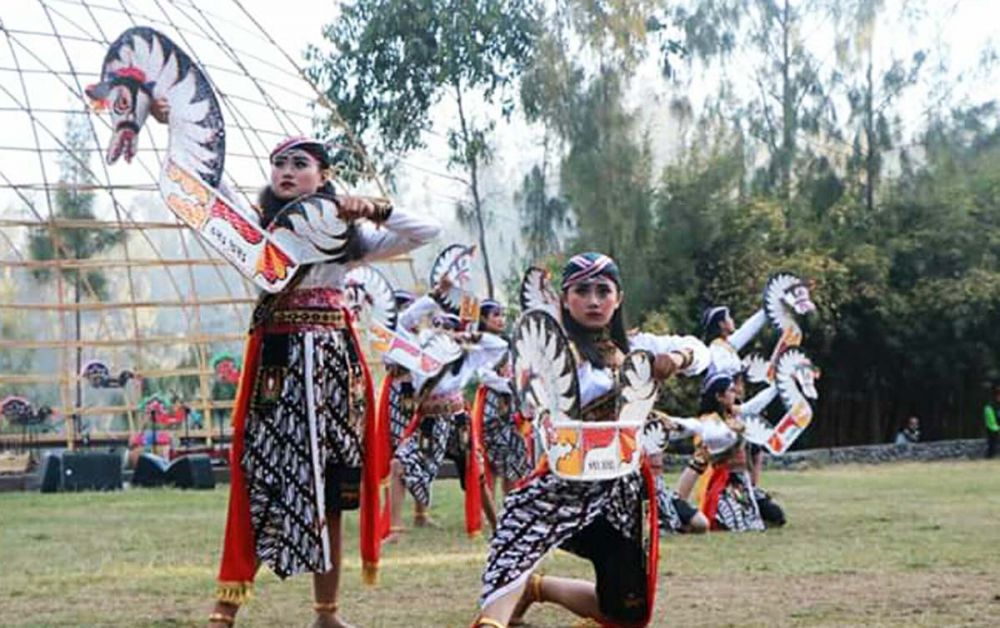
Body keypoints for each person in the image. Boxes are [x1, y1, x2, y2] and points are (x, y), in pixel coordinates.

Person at [145, 118, 441, 626]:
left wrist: (372, 207)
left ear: (324, 176)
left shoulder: (349, 238)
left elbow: (427, 232)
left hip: (333, 371)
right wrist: (176, 121)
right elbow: (208, 181)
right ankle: (224, 612)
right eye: (279, 163)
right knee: (264, 474)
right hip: (278, 368)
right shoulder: (257, 228)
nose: (285, 171)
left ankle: (327, 614)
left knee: (332, 490)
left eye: (299, 164)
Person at [474, 252, 707, 628]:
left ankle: (536, 588)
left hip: (620, 493)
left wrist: (677, 358)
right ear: (565, 300)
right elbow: (527, 394)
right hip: (562, 483)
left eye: (603, 290)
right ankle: (503, 606)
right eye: (582, 291)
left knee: (628, 614)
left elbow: (703, 351)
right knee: (512, 553)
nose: (594, 301)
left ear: (619, 298)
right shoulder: (551, 353)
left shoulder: (637, 345)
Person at [985, 385, 1000, 459]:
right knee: (993, 444)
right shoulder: (989, 406)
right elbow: (991, 423)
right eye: (998, 394)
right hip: (993, 431)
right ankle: (990, 457)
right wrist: (998, 429)